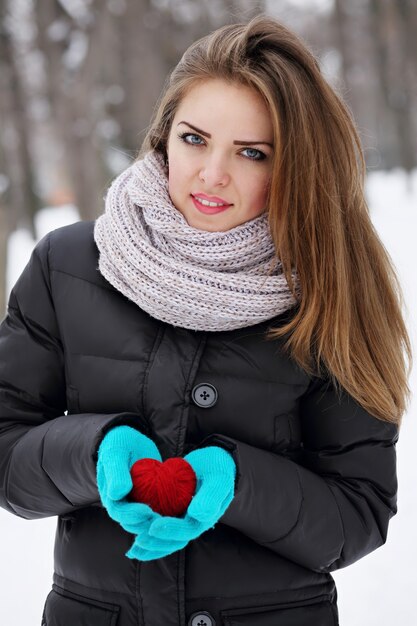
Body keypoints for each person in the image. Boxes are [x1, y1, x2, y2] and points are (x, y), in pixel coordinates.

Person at [0, 14, 411, 626]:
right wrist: (94, 452)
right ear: (165, 136)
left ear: (293, 166)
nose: (213, 174)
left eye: (252, 152)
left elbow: (358, 514)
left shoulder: (329, 287)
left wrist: (233, 482)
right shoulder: (67, 266)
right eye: (196, 139)